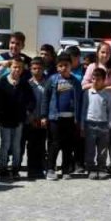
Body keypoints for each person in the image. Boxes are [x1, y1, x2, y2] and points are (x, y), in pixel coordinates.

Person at [45, 52, 84, 180]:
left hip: (70, 119)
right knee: (54, 144)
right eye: (60, 66)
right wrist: (44, 116)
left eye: (66, 65)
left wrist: (79, 119)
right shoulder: (52, 80)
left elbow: (80, 100)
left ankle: (66, 170)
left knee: (68, 145)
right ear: (57, 67)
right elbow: (46, 98)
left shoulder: (75, 82)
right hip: (55, 118)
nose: (63, 68)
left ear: (70, 66)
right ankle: (50, 169)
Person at [0, 57, 34, 180]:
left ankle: (15, 168)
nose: (17, 69)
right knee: (5, 144)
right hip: (4, 119)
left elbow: (31, 100)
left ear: (23, 69)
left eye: (20, 67)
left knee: (17, 145)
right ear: (10, 68)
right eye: (14, 67)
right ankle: (2, 168)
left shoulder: (24, 83)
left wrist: (28, 110)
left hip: (18, 119)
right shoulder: (2, 82)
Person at [83, 67, 111, 180]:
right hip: (90, 124)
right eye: (94, 79)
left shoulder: (107, 95)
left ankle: (101, 168)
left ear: (104, 80)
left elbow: (110, 111)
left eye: (99, 79)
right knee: (90, 148)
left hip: (103, 125)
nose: (96, 81)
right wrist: (82, 125)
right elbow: (84, 109)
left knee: (102, 149)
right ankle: (90, 169)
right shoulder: (88, 93)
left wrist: (110, 124)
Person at [24, 58, 50, 180]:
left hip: (43, 119)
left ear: (43, 69)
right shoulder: (28, 84)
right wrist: (30, 117)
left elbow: (50, 101)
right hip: (31, 120)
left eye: (39, 68)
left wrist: (45, 117)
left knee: (41, 145)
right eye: (34, 68)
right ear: (30, 69)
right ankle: (32, 169)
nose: (37, 70)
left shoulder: (48, 83)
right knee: (31, 146)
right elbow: (25, 102)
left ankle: (41, 168)